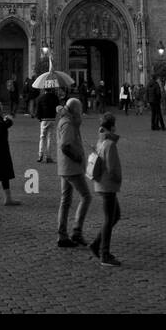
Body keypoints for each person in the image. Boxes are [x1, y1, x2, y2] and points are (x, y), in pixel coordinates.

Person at [56, 97, 91, 248]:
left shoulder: (68, 121)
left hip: (66, 167)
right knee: (86, 197)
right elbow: (66, 145)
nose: (82, 113)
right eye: (80, 110)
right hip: (71, 167)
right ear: (75, 110)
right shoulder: (68, 123)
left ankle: (62, 235)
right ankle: (76, 231)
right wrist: (78, 157)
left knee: (66, 200)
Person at [89, 112, 123, 267]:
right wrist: (118, 178)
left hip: (102, 183)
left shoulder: (101, 141)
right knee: (110, 219)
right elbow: (112, 167)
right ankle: (104, 253)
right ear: (112, 126)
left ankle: (96, 245)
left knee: (115, 215)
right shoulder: (110, 144)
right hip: (108, 184)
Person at [36, 84, 59, 163]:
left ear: (44, 89)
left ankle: (40, 154)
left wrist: (39, 118)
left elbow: (38, 110)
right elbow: (58, 107)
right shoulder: (55, 97)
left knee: (42, 137)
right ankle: (48, 156)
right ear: (51, 89)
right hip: (52, 118)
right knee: (50, 138)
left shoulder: (40, 98)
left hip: (44, 119)